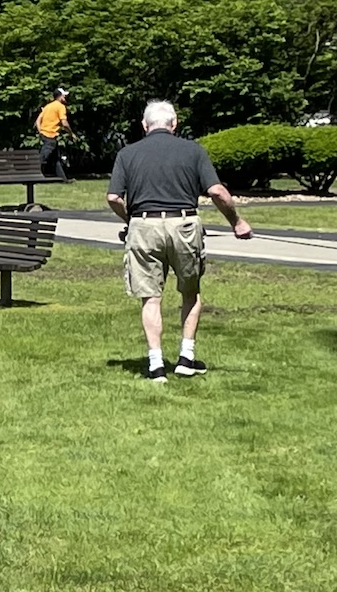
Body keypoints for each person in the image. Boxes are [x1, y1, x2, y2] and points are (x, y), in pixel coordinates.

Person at [106, 100, 251, 381]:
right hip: (184, 224)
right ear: (174, 124)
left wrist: (131, 220)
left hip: (143, 225)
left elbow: (113, 197)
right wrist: (237, 222)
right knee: (190, 292)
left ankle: (156, 364)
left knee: (151, 297)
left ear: (144, 126)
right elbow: (218, 192)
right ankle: (186, 357)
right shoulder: (193, 150)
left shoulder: (127, 153)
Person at [34, 87, 70, 180]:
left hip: (45, 135)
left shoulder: (48, 106)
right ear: (60, 96)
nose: (65, 97)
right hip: (51, 135)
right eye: (64, 96)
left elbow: (38, 121)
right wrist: (71, 133)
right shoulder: (60, 106)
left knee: (55, 159)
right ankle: (35, 175)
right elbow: (64, 123)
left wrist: (41, 131)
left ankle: (63, 179)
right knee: (43, 157)